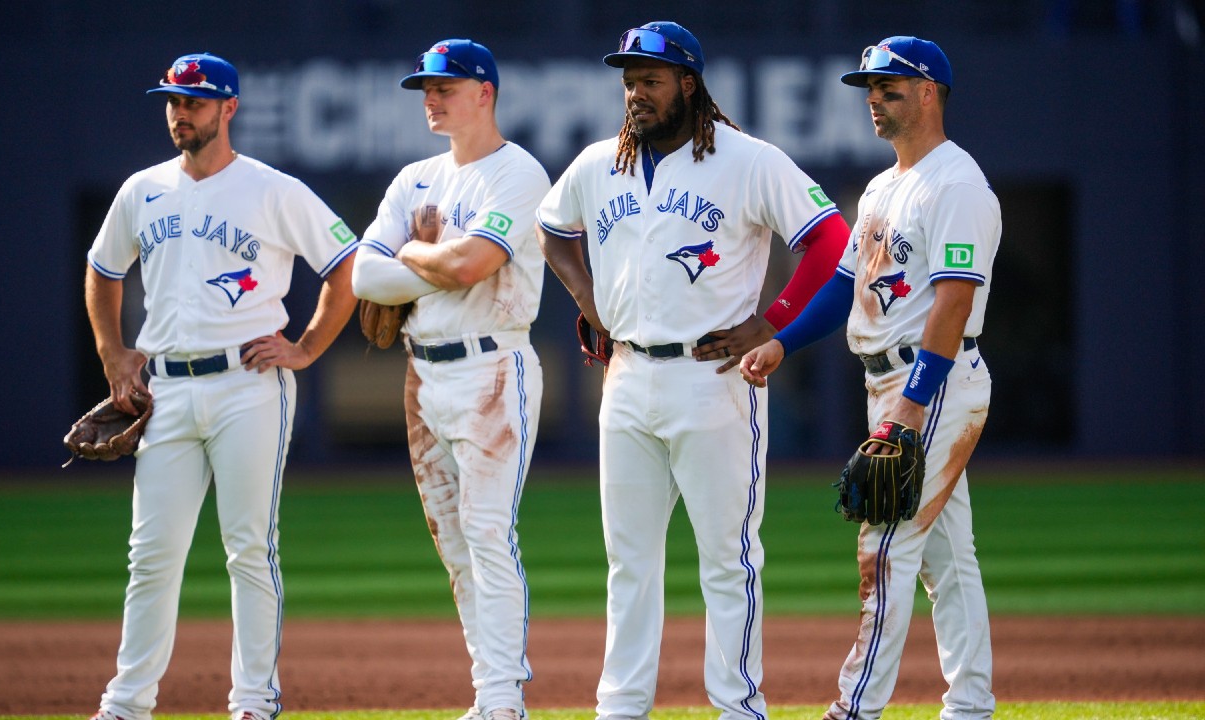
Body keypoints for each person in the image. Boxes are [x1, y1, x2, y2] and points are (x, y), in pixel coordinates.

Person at [535, 21, 850, 720]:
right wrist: (592, 302)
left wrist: (777, 318)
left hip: (714, 382)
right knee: (629, 564)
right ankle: (620, 707)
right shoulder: (598, 163)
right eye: (627, 80)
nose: (635, 94)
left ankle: (738, 707)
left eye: (649, 80)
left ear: (688, 83)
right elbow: (552, 229)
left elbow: (830, 237)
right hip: (627, 380)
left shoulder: (747, 160)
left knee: (728, 561)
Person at [84, 52, 357, 720]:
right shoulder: (143, 189)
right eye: (173, 102)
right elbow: (102, 270)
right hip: (167, 389)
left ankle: (254, 703)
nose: (181, 113)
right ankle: (125, 704)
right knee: (151, 555)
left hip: (248, 383)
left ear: (229, 108)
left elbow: (346, 266)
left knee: (249, 549)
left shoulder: (272, 189)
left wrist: (306, 347)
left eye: (196, 102)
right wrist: (113, 353)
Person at [740, 36, 1001, 720]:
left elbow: (953, 303)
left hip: (929, 377)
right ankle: (971, 705)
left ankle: (854, 709)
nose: (873, 102)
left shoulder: (958, 184)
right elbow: (845, 285)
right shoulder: (885, 186)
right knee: (948, 560)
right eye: (869, 90)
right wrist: (782, 343)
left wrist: (913, 406)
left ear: (927, 92)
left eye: (888, 89)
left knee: (883, 545)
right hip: (891, 380)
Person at [349, 38, 550, 720]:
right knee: (456, 545)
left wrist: (411, 250)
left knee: (489, 531)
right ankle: (488, 691)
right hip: (423, 373)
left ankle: (503, 699)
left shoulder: (516, 173)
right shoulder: (414, 178)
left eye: (445, 86)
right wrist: (433, 259)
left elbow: (472, 265)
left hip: (495, 367)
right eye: (425, 88)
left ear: (484, 93)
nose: (430, 98)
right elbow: (361, 275)